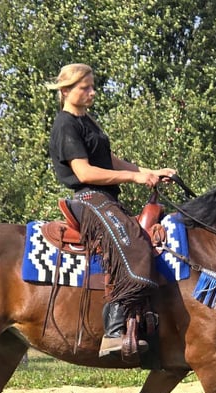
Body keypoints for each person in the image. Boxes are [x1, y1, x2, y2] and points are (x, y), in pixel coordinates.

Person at [47, 63, 176, 357]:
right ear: (66, 91)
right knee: (135, 244)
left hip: (104, 198)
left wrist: (150, 172)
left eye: (93, 87)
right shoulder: (65, 124)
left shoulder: (87, 121)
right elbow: (85, 173)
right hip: (88, 197)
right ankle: (114, 330)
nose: (92, 92)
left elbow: (111, 160)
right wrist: (135, 178)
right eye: (85, 88)